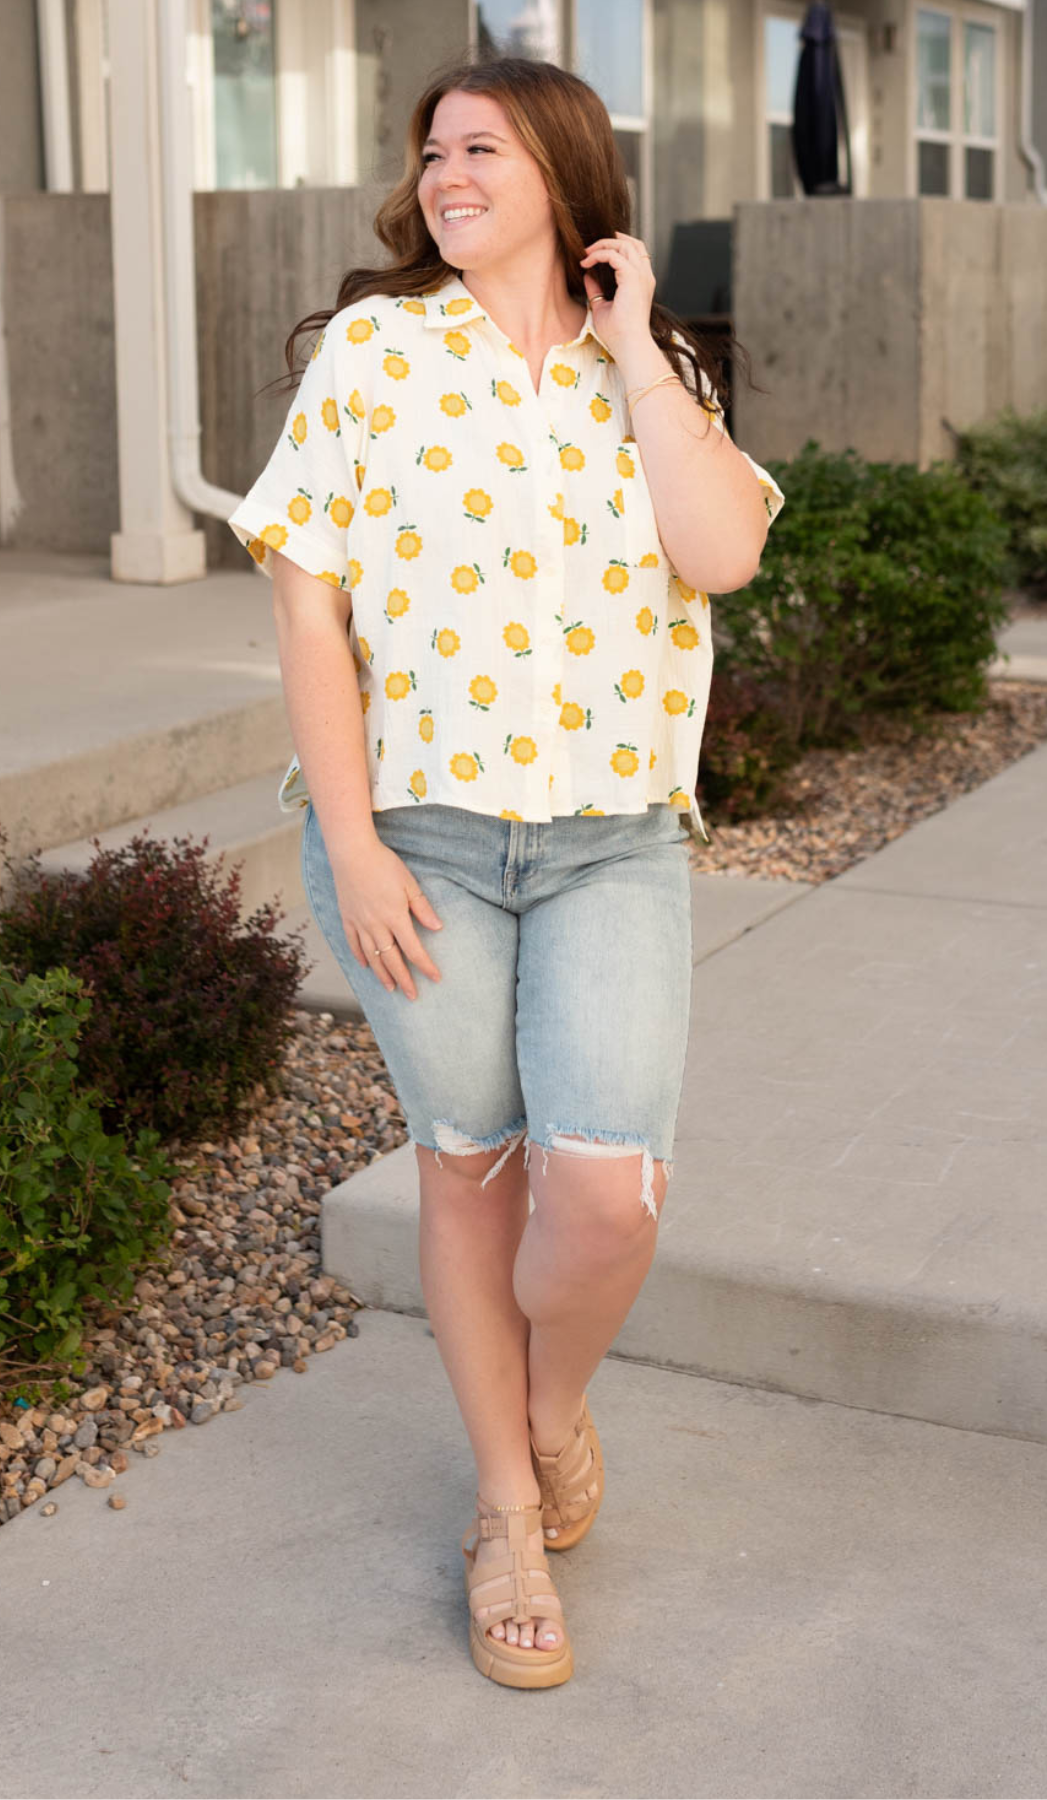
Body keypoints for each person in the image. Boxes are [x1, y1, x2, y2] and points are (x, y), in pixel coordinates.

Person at [229, 53, 785, 1690]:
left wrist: (629, 352)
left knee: (603, 1195)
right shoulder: (368, 358)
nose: (445, 171)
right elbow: (304, 609)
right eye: (432, 150)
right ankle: (501, 1514)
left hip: (613, 841)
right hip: (419, 849)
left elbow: (721, 554)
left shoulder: (653, 362)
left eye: (479, 145)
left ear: (559, 167)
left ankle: (544, 1413)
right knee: (468, 1168)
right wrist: (348, 844)